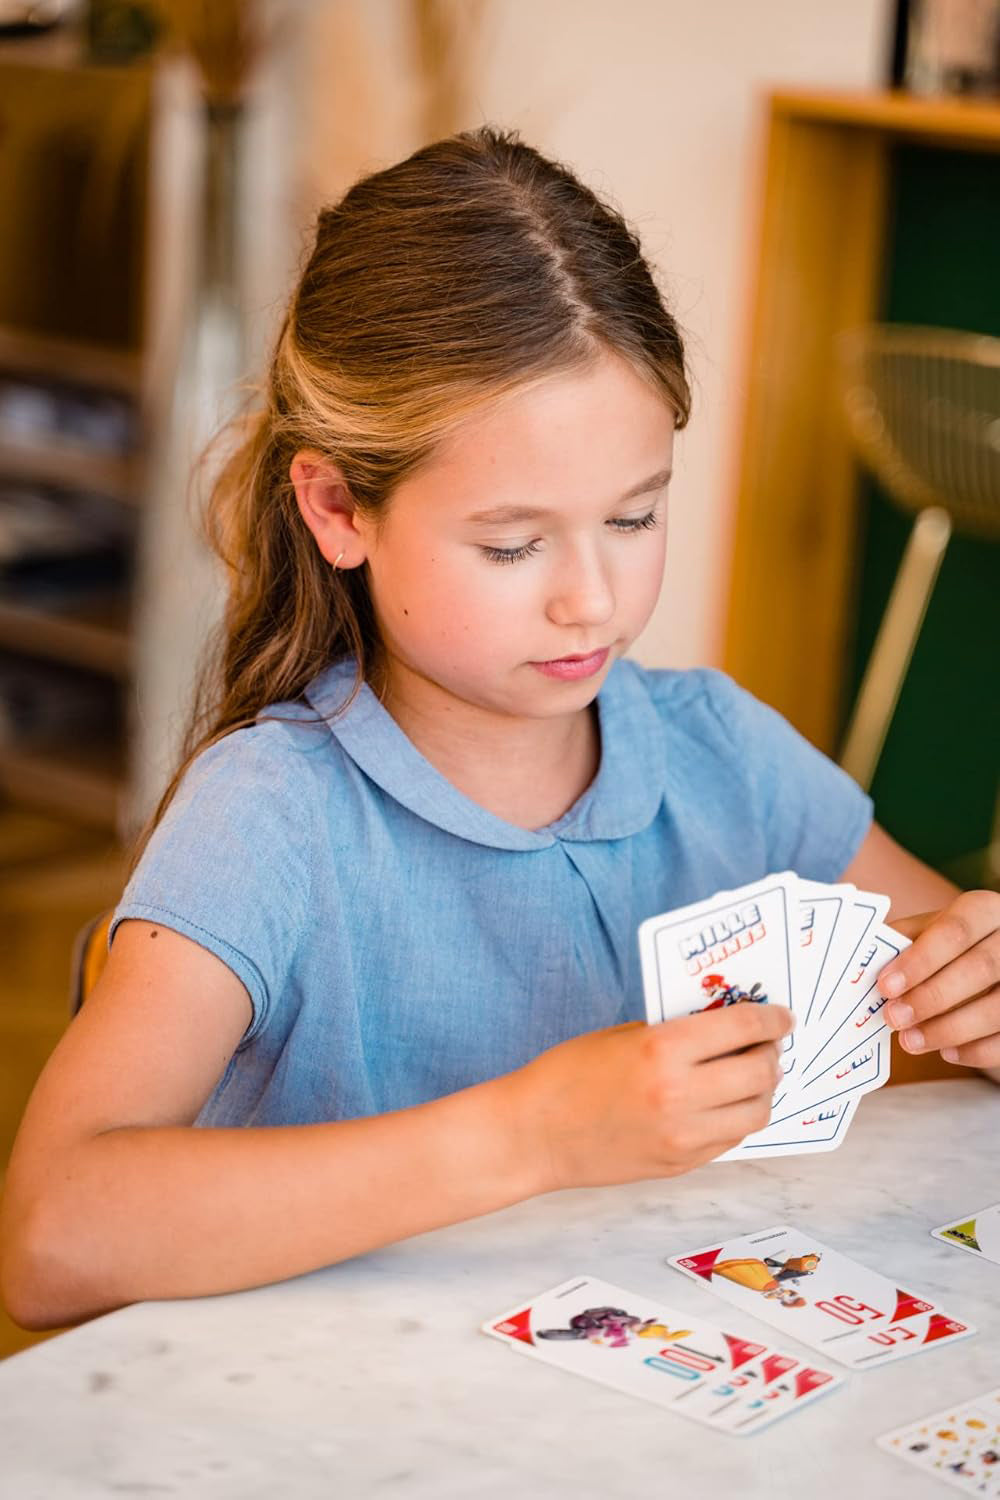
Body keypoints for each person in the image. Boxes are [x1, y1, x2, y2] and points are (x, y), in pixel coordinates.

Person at [2, 127, 997, 1332]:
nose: (592, 599)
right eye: (512, 544)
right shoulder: (269, 813)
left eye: (634, 518)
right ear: (335, 508)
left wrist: (980, 996)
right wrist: (526, 1134)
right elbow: (50, 1240)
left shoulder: (721, 752)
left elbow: (944, 1010)